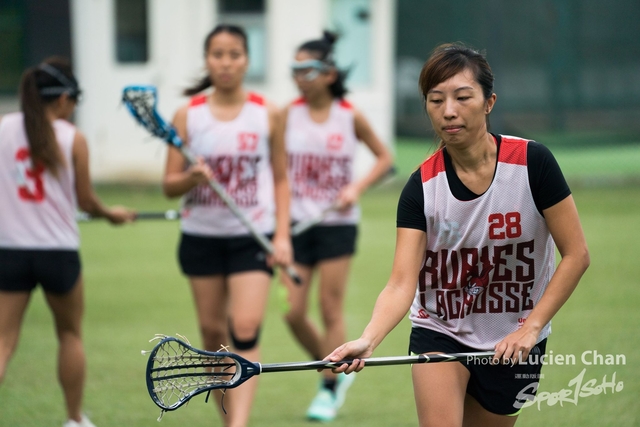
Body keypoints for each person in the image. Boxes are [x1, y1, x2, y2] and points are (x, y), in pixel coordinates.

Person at [325, 43, 590, 427]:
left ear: (488, 102)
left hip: (515, 339)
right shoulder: (421, 187)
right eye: (435, 100)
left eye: (462, 97)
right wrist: (369, 338)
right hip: (441, 331)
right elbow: (402, 284)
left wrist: (531, 327)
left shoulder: (533, 163)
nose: (448, 111)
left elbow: (577, 254)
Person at [162, 24, 292, 427]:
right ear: (207, 60)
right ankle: (226, 418)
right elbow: (169, 186)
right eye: (217, 54)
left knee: (246, 326)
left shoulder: (267, 112)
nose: (226, 62)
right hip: (201, 236)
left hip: (251, 235)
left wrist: (283, 235)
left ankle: (239, 424)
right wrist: (191, 179)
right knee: (212, 333)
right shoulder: (187, 115)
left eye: (234, 54)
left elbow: (281, 178)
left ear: (247, 60)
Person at [0, 58, 135, 427]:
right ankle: (75, 419)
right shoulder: (72, 137)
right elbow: (88, 202)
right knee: (70, 334)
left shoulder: (3, 128)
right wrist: (113, 214)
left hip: (9, 251)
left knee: (3, 341)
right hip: (57, 253)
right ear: (62, 99)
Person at [279, 31, 393, 422]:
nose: (299, 76)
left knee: (330, 308)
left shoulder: (349, 114)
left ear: (328, 73)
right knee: (292, 312)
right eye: (294, 69)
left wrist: (356, 187)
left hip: (337, 225)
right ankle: (332, 367)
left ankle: (328, 388)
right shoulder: (285, 115)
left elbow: (383, 158)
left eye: (306, 69)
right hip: (295, 226)